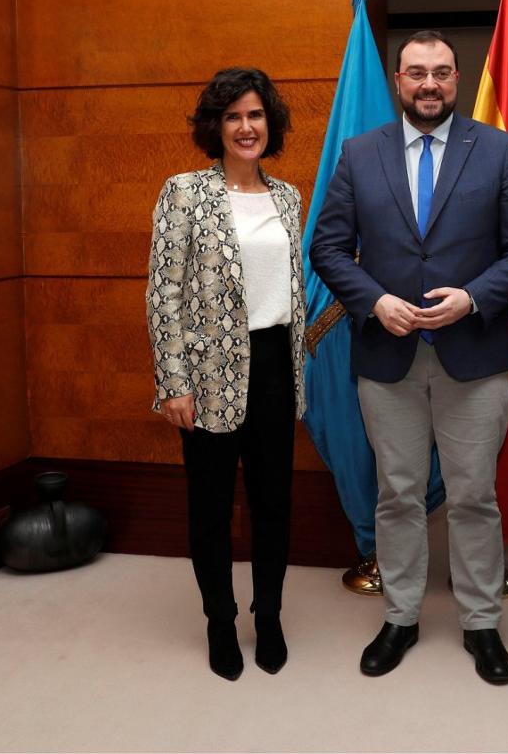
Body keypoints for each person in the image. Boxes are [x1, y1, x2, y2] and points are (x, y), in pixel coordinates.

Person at [310, 30, 508, 685]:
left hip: (473, 356)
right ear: (397, 80)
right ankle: (401, 616)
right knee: (399, 494)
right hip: (387, 358)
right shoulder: (360, 155)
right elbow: (328, 249)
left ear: (456, 77)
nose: (430, 84)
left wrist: (473, 299)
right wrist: (374, 301)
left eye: (442, 72)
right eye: (417, 72)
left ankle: (481, 623)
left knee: (474, 496)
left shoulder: (496, 149)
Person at [146, 67, 307, 681]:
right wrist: (174, 380)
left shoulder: (288, 197)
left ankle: (268, 617)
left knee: (274, 505)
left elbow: (289, 292)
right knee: (211, 509)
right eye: (234, 116)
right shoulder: (184, 192)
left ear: (272, 124)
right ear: (216, 126)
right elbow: (164, 292)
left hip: (274, 368)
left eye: (257, 115)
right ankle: (220, 621)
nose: (247, 127)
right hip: (207, 375)